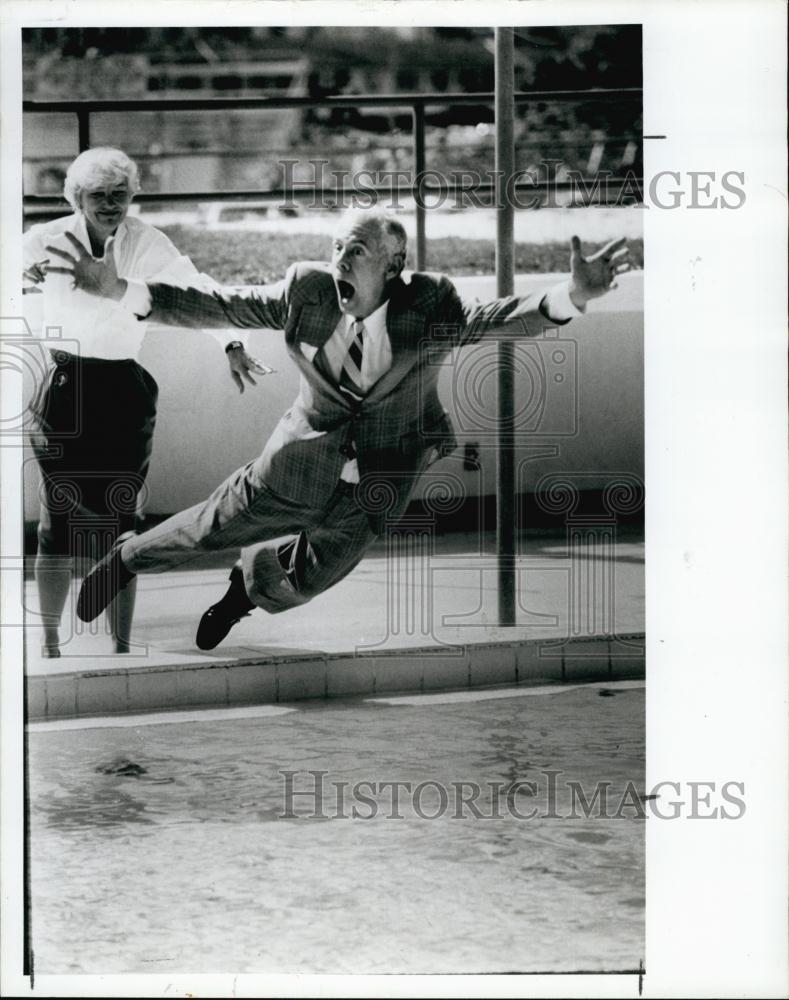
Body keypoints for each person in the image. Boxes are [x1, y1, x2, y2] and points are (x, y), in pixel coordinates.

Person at [46, 206, 630, 651]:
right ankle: (125, 557)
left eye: (354, 251)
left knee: (309, 578)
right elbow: (221, 304)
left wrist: (572, 294)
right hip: (299, 458)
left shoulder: (428, 308)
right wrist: (123, 290)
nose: (339, 262)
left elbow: (497, 320)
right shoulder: (308, 294)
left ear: (392, 265)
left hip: (381, 474)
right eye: (335, 249)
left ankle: (243, 591)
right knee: (209, 529)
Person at [24, 146, 269, 656]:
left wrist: (233, 343)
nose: (110, 204)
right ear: (76, 197)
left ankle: (120, 642)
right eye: (99, 196)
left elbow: (194, 290)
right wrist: (18, 285)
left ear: (132, 196)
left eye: (120, 195)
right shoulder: (40, 241)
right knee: (57, 523)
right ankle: (48, 642)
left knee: (123, 526)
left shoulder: (147, 242)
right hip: (65, 388)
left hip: (123, 391)